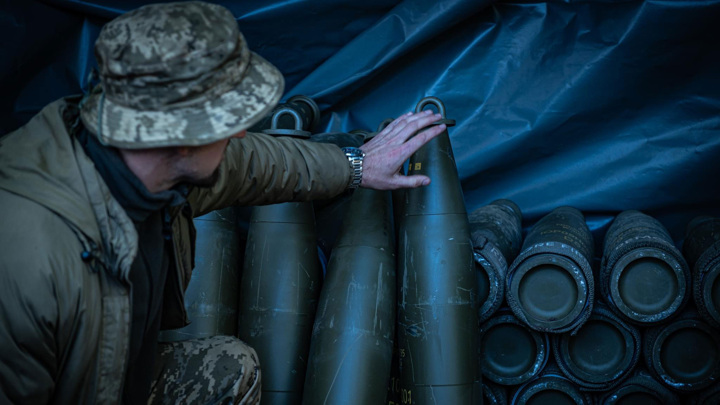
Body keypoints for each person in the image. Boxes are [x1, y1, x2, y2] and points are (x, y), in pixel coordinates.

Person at [0, 2, 446, 404]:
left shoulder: (158, 169)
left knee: (230, 366)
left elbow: (257, 162)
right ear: (178, 137)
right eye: (229, 120)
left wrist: (356, 165)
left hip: (115, 378)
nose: (239, 133)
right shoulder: (27, 260)